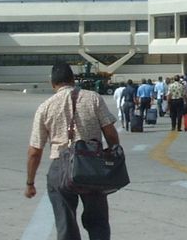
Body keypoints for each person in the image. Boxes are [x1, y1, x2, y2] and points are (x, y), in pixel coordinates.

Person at [25, 62, 120, 240]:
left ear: (52, 83)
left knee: (65, 223)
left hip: (60, 167)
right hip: (91, 166)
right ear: (73, 79)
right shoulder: (93, 98)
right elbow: (111, 134)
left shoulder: (45, 107)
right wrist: (113, 158)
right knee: (98, 221)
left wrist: (30, 183)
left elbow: (35, 150)